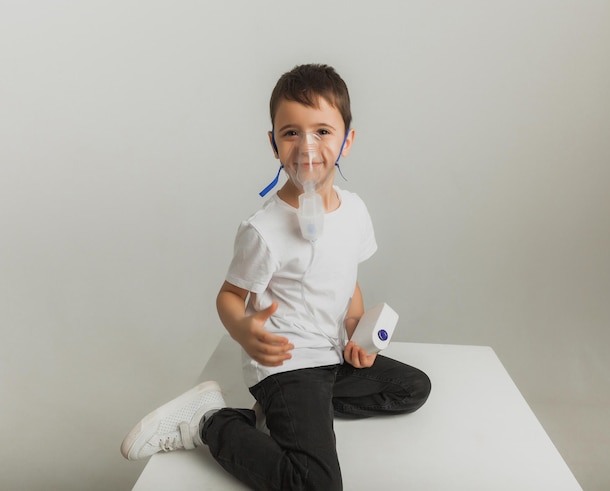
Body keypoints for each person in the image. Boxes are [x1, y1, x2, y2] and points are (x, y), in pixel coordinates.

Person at [121, 63, 431, 490]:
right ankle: (211, 421)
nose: (307, 147)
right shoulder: (263, 231)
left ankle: (299, 415)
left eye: (323, 131)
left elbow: (347, 279)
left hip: (332, 354)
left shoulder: (355, 211)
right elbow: (228, 296)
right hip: (289, 364)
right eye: (291, 133)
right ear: (274, 143)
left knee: (412, 388)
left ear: (348, 140)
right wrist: (245, 333)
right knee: (315, 484)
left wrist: (355, 326)